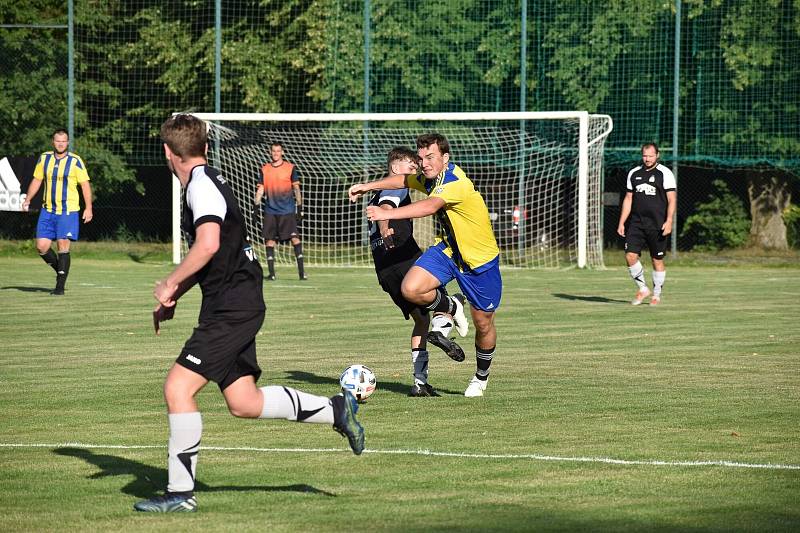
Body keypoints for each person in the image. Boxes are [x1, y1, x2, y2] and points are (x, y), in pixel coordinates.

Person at [134, 114, 363, 513]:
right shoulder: (208, 182)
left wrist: (170, 284)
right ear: (205, 147)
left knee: (177, 389)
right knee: (244, 402)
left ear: (169, 153)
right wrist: (179, 294)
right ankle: (336, 409)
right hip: (233, 301)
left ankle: (180, 494)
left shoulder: (200, 188)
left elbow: (206, 245)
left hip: (232, 307)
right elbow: (215, 257)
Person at [349, 133, 502, 398]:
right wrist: (367, 185)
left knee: (484, 324)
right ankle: (452, 306)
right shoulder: (430, 177)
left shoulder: (455, 182)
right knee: (412, 288)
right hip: (448, 251)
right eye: (421, 158)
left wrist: (387, 214)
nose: (424, 163)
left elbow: (430, 207)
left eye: (430, 157)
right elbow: (402, 180)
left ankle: (480, 377)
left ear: (445, 158)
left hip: (479, 261)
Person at [368, 147, 466, 397]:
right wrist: (384, 227)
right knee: (443, 303)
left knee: (421, 319)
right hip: (405, 258)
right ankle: (453, 309)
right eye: (411, 167)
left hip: (384, 270)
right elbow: (387, 208)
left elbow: (381, 206)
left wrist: (381, 227)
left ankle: (420, 383)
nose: (415, 171)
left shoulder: (376, 191)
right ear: (395, 168)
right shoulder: (396, 186)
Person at [21, 129, 93, 295]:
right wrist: (28, 199)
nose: (61, 143)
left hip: (68, 210)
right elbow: (37, 180)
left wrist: (88, 208)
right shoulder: (44, 158)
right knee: (41, 247)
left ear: (67, 143)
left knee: (62, 245)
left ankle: (59, 287)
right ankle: (61, 270)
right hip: (48, 210)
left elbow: (85, 185)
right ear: (53, 142)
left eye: (64, 141)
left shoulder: (75, 161)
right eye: (57, 140)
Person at [616, 142, 677, 306]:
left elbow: (672, 199)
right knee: (630, 255)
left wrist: (669, 220)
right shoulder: (634, 173)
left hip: (658, 224)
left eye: (650, 156)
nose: (647, 159)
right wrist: (622, 222)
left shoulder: (665, 173)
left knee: (656, 260)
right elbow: (628, 199)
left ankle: (656, 295)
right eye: (645, 155)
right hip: (636, 223)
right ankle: (643, 288)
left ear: (657, 155)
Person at [254, 142, 307, 280]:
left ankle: (302, 273)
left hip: (287, 211)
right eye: (273, 151)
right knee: (269, 241)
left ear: (282, 152)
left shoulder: (290, 168)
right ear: (270, 152)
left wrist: (300, 208)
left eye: (278, 151)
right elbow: (260, 189)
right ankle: (271, 274)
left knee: (295, 239)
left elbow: (296, 189)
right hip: (270, 211)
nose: (276, 153)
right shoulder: (265, 169)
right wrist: (256, 208)